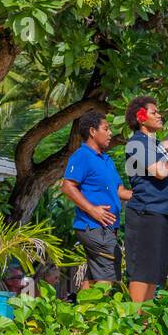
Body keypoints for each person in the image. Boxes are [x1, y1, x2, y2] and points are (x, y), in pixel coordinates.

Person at [122, 95, 168, 303]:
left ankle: (145, 322)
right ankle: (135, 322)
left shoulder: (155, 145)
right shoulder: (136, 143)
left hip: (162, 212)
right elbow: (161, 172)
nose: (159, 115)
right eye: (154, 112)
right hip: (146, 212)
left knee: (155, 273)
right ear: (140, 117)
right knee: (142, 271)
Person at [61, 111, 132, 288]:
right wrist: (93, 210)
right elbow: (67, 186)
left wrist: (147, 195)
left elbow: (119, 190)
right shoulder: (82, 155)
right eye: (106, 129)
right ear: (93, 131)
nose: (110, 133)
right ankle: (100, 314)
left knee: (93, 275)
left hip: (107, 227)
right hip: (93, 226)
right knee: (108, 273)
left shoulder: (106, 160)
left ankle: (82, 314)